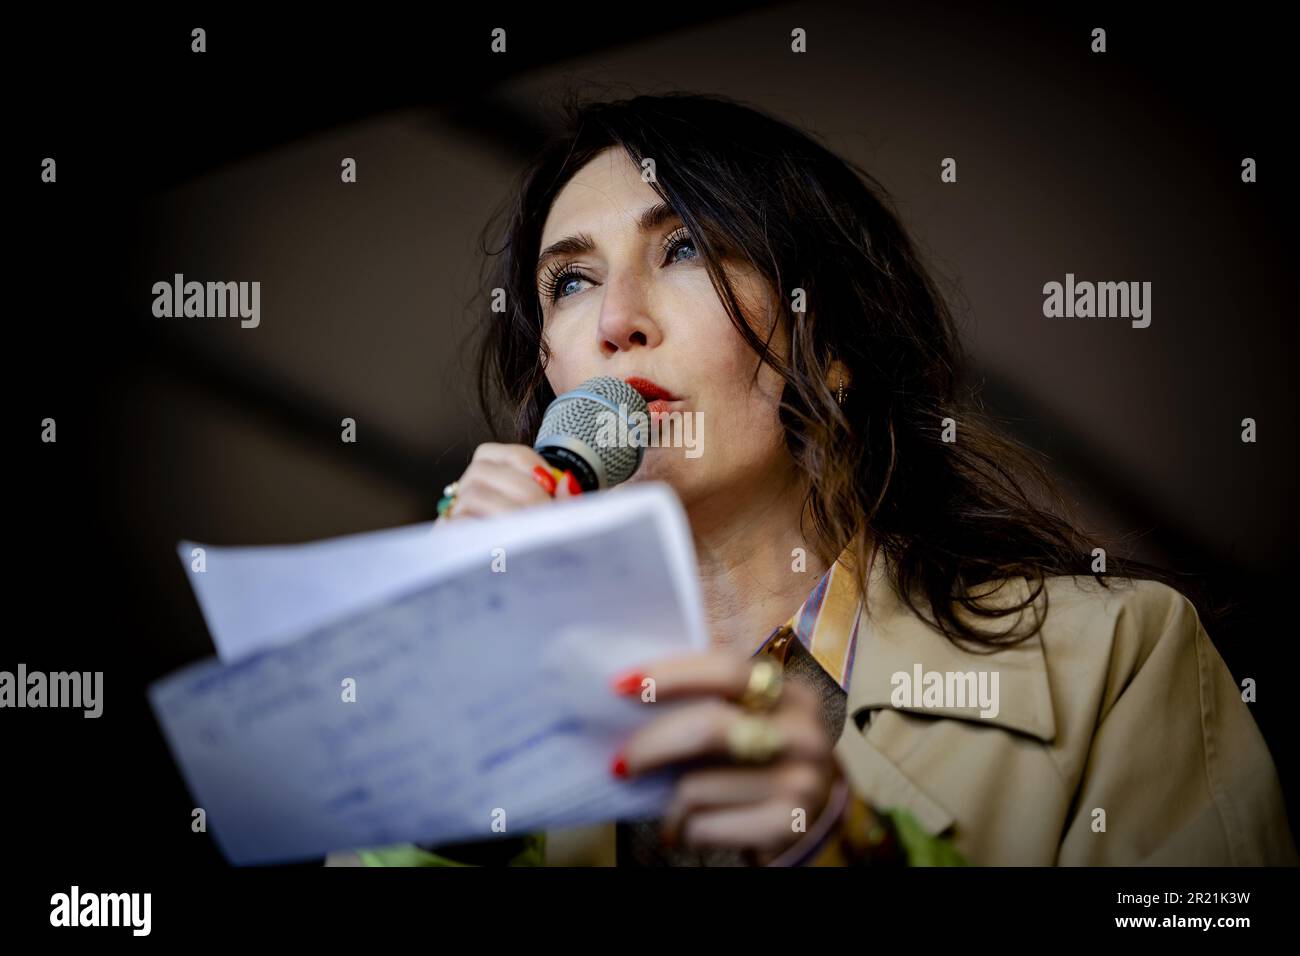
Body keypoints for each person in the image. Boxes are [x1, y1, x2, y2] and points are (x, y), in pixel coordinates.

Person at [329, 92, 1296, 867]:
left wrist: (853, 851)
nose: (617, 318)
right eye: (570, 282)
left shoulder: (1116, 656)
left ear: (827, 340)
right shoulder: (488, 691)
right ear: (551, 373)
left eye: (686, 249)